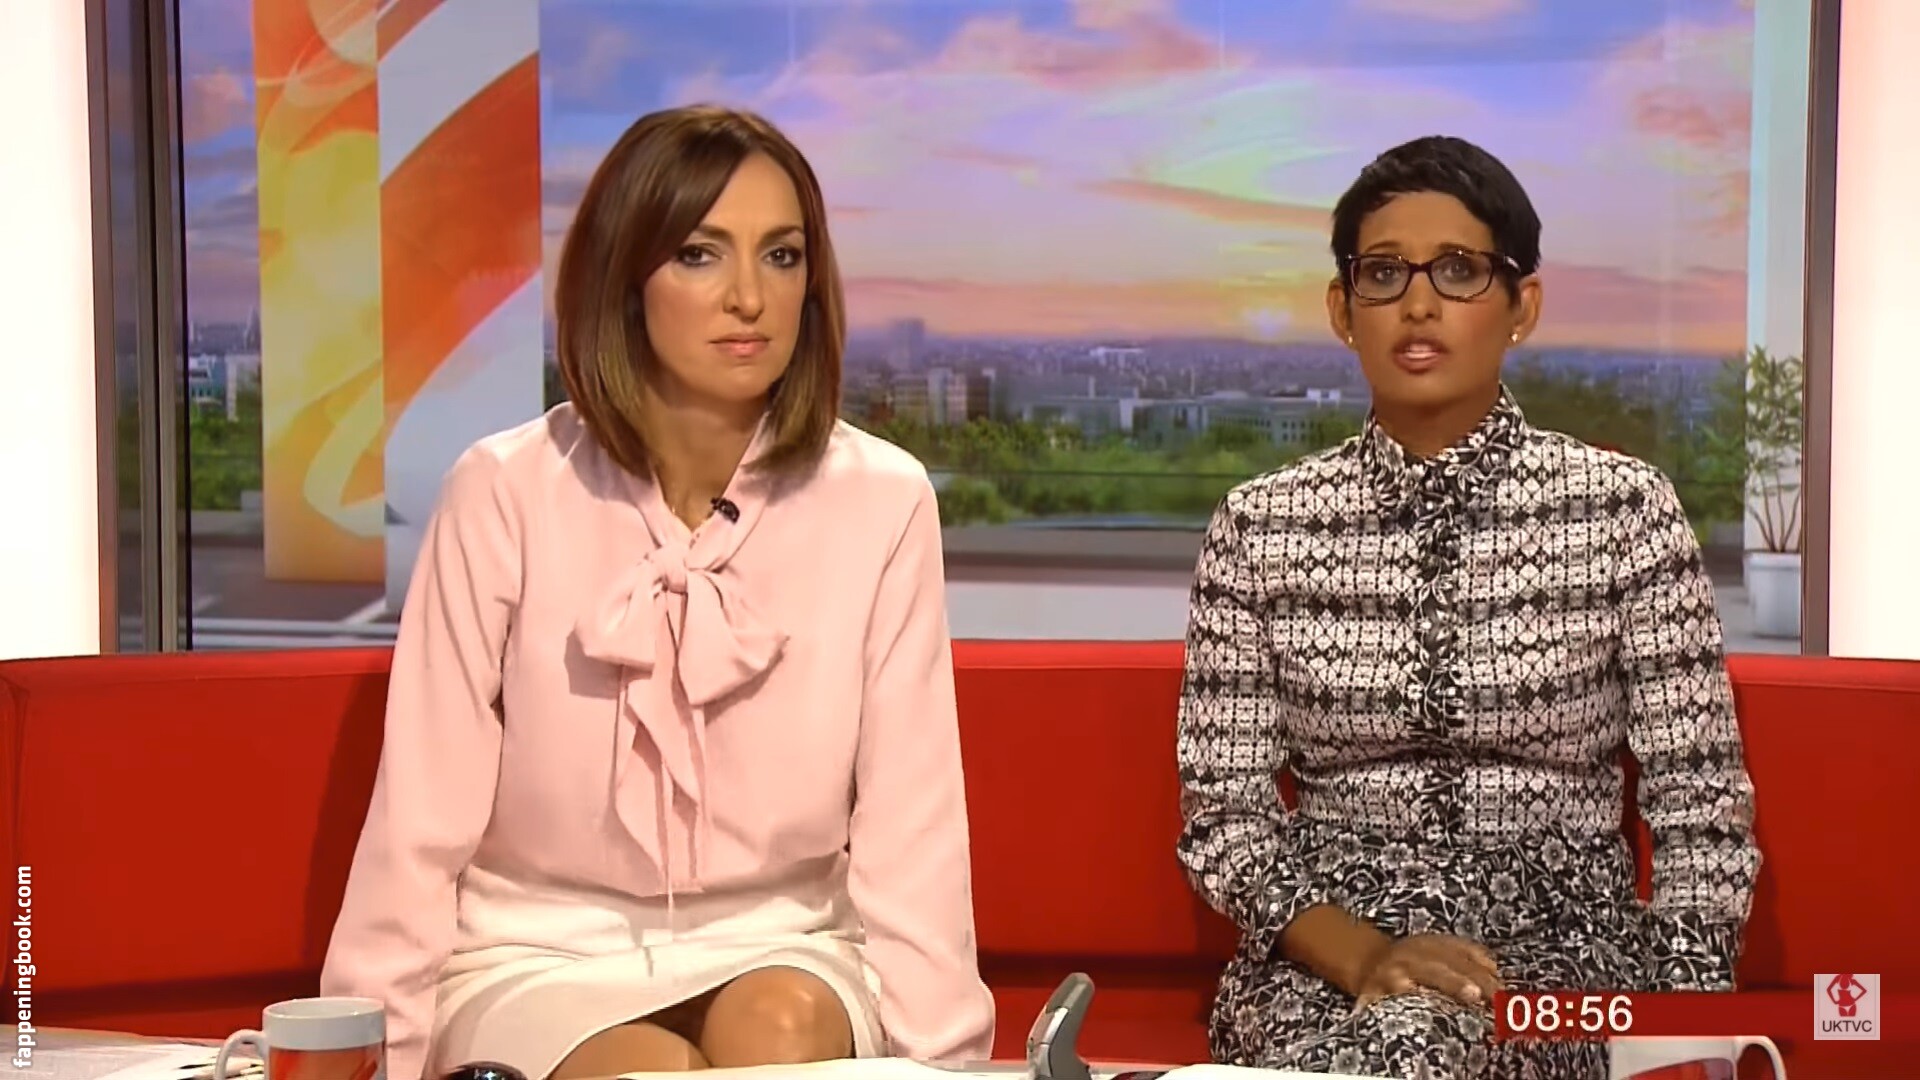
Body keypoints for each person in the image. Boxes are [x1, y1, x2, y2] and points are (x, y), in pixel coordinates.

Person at [320, 105, 995, 1080]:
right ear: (624, 279)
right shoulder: (503, 491)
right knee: (648, 1070)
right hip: (535, 952)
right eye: (698, 255)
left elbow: (913, 824)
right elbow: (417, 821)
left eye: (782, 255)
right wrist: (366, 1056)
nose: (749, 298)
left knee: (778, 1031)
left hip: (789, 943)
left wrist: (947, 1067)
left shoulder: (882, 500)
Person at [1174, 135, 1761, 1079]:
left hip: (1563, 944)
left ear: (1521, 305)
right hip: (1324, 952)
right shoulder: (1260, 525)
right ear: (1342, 309)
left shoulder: (1624, 510)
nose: (1418, 304)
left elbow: (1700, 806)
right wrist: (1364, 956)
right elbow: (1223, 818)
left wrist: (1679, 1022)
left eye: (1458, 270)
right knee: (1392, 1041)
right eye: (1383, 273)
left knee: (1425, 1044)